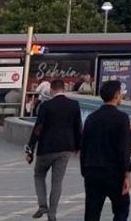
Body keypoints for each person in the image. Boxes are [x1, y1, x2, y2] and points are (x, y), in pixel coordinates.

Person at [27, 79, 82, 221]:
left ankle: (42, 205)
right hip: (65, 149)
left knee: (39, 175)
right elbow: (78, 127)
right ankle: (52, 214)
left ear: (51, 89)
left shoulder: (46, 106)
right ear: (64, 89)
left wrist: (30, 147)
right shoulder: (74, 105)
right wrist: (78, 146)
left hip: (46, 148)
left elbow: (38, 128)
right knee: (57, 182)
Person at [81, 80, 131, 221]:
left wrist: (85, 171)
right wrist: (126, 173)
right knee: (121, 209)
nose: (122, 96)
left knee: (92, 213)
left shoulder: (91, 118)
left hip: (92, 171)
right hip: (114, 173)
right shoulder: (121, 118)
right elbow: (124, 148)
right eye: (121, 93)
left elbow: (84, 146)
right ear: (116, 95)